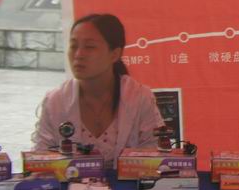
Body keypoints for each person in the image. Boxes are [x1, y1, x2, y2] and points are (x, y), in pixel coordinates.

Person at [33, 13, 164, 167]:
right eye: (74, 46)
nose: (78, 55)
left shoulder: (139, 98)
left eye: (90, 47)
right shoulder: (56, 101)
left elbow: (155, 154)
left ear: (115, 54)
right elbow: (42, 158)